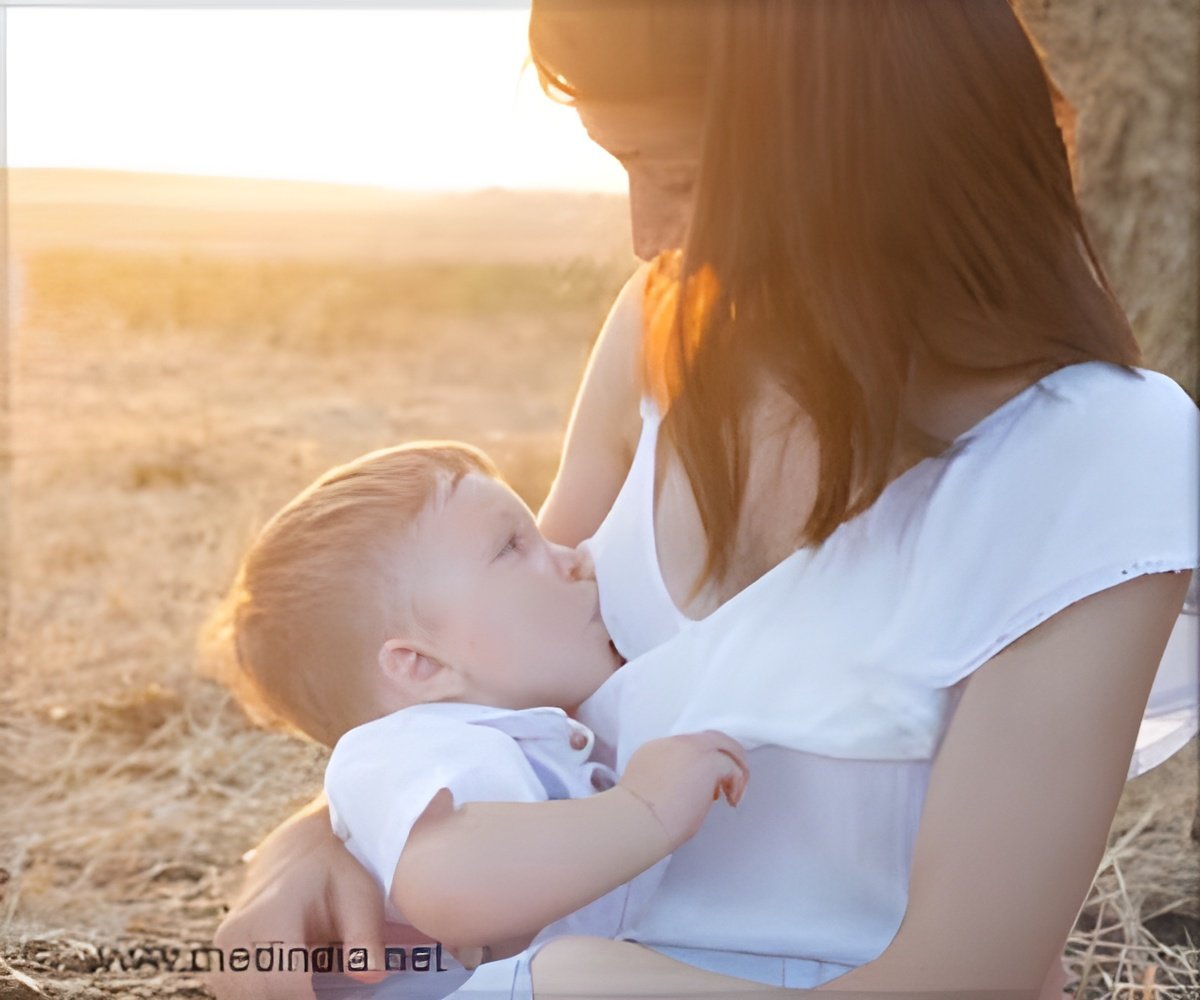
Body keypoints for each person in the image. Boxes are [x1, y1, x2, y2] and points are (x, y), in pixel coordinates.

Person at [209, 2, 1199, 998]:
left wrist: (581, 980)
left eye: (679, 178)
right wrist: (303, 852)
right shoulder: (662, 330)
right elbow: (475, 687)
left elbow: (962, 978)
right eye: (623, 168)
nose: (645, 238)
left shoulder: (1096, 457)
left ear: (855, 150)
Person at [208, 441, 750, 998]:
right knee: (571, 972)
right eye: (513, 547)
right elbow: (448, 882)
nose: (576, 557)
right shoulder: (409, 746)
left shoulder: (514, 734)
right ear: (421, 665)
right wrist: (643, 809)